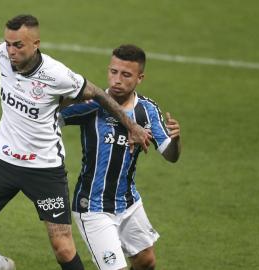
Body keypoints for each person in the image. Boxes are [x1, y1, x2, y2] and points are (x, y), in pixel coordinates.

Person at [0, 15, 152, 270]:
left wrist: (131, 126)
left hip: (44, 168)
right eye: (8, 43)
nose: (11, 51)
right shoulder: (3, 55)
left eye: (18, 45)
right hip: (3, 161)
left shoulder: (56, 75)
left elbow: (97, 93)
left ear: (36, 43)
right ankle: (0, 265)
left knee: (64, 249)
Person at [59, 44, 181, 270]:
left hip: (128, 203)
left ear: (139, 78)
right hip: (92, 206)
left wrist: (175, 141)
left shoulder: (147, 110)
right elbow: (50, 118)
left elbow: (170, 155)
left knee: (146, 261)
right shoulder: (91, 105)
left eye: (126, 75)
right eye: (113, 72)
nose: (117, 80)